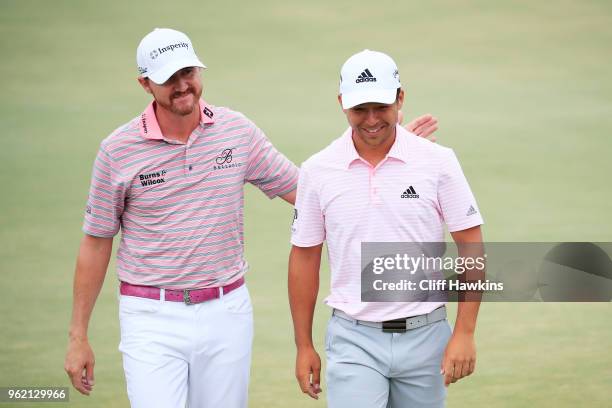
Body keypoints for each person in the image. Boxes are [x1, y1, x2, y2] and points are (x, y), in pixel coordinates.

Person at [63, 28, 439, 407]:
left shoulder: (235, 132)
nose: (183, 86)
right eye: (169, 79)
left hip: (226, 310)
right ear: (145, 83)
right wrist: (78, 335)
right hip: (150, 313)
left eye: (188, 73)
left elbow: (309, 193)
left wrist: (383, 150)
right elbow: (96, 242)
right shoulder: (118, 150)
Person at [288, 49, 484, 408]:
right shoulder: (318, 170)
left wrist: (464, 332)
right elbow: (304, 258)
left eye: (381, 106)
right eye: (360, 109)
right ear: (342, 103)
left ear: (400, 98)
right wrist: (304, 345)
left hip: (427, 336)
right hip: (353, 338)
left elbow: (472, 246)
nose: (372, 119)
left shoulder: (438, 162)